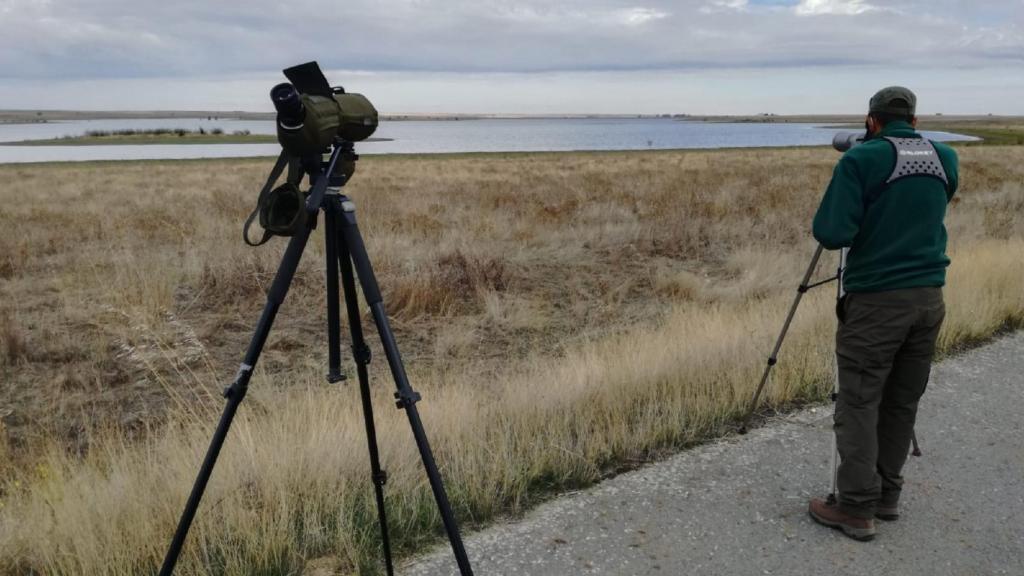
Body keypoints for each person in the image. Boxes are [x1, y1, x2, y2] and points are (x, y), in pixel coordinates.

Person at [807, 86, 959, 541]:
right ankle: (888, 496)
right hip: (929, 297)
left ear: (870, 120)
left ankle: (854, 507)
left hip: (877, 302)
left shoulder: (860, 160)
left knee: (858, 401)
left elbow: (832, 233)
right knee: (901, 399)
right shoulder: (945, 157)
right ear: (913, 120)